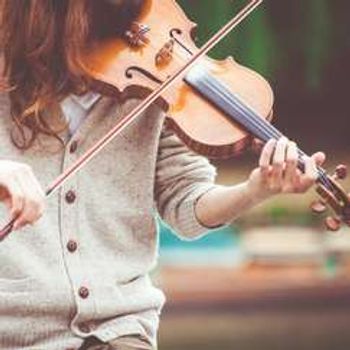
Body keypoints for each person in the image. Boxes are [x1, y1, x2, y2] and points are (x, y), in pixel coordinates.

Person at [0, 1, 325, 349]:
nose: (134, 33)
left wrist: (254, 190)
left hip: (117, 328)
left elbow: (186, 202)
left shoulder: (154, 79)